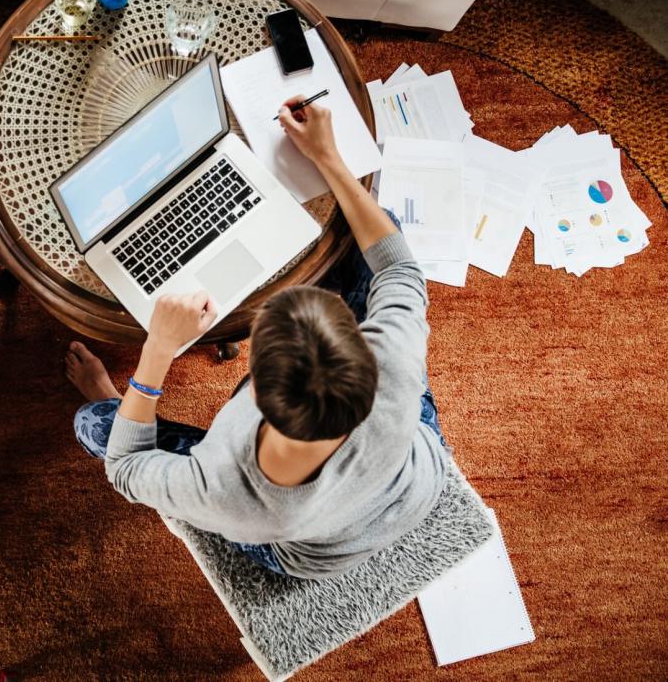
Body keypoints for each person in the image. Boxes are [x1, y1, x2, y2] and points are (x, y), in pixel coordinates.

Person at [65, 96, 449, 579]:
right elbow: (398, 266)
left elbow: (123, 468)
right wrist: (327, 156)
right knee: (373, 225)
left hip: (305, 550)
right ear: (365, 355)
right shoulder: (392, 358)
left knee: (96, 425)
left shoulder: (226, 491)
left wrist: (158, 350)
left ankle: (113, 400)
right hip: (416, 474)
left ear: (251, 393)